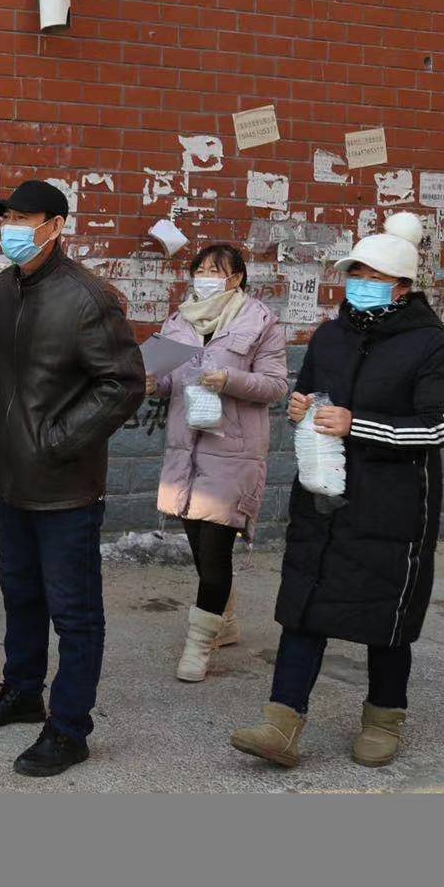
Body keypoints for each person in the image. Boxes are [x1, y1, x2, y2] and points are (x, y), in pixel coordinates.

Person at [230, 212, 444, 769]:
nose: (359, 282)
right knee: (304, 603)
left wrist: (359, 425)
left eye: (372, 275)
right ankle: (281, 722)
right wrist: (301, 408)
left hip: (394, 504)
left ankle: (384, 716)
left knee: (387, 613)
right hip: (323, 493)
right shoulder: (331, 335)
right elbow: (312, 393)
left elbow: (442, 426)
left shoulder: (431, 345)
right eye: (354, 272)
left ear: (402, 286)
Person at [0, 180, 146, 777]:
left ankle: (69, 728)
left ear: (55, 226)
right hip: (14, 479)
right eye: (6, 218)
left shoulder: (87, 298)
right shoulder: (4, 287)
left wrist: (55, 441)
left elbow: (123, 385)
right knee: (21, 592)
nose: (10, 228)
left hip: (66, 487)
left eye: (23, 218)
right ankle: (21, 691)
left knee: (75, 611)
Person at [150, 243, 288, 682]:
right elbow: (167, 380)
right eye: (202, 269)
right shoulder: (180, 320)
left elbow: (275, 385)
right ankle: (223, 623)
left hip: (233, 451)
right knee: (199, 545)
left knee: (214, 553)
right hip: (185, 450)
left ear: (237, 277)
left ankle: (197, 647)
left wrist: (230, 379)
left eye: (216, 270)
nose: (206, 276)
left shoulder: (260, 322)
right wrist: (153, 383)